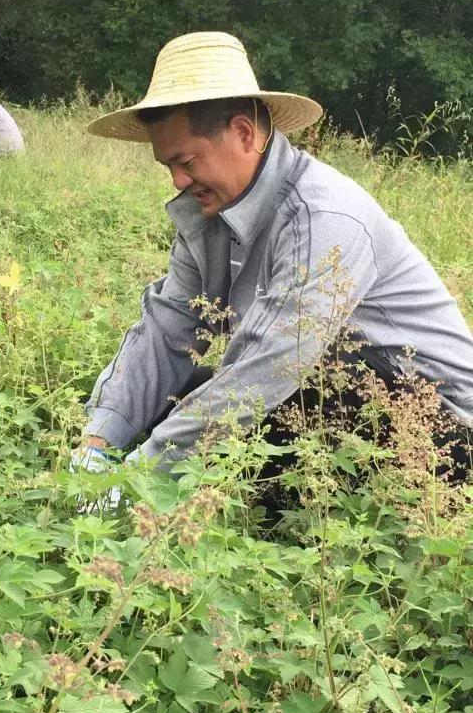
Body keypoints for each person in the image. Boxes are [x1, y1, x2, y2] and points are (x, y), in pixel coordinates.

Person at [70, 31, 473, 481]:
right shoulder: (208, 212)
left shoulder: (324, 216)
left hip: (435, 422)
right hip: (326, 389)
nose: (177, 181)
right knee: (176, 398)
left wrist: (139, 479)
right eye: (169, 167)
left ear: (244, 133)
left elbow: (272, 364)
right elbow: (167, 330)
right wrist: (97, 442)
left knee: (248, 416)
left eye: (187, 162)